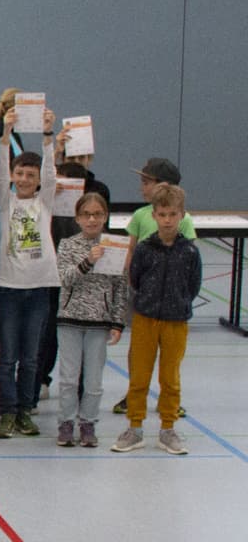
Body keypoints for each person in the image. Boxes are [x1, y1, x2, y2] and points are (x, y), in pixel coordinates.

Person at [111, 184, 200, 456]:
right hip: (145, 319)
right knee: (139, 375)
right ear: (154, 215)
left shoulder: (190, 252)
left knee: (170, 377)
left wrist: (180, 303)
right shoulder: (144, 250)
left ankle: (168, 428)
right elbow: (134, 278)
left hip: (176, 321)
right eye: (162, 214)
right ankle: (135, 428)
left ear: (182, 215)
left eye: (173, 214)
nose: (168, 220)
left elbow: (194, 285)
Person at [0, 104, 57, 438]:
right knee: (7, 357)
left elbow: (51, 175)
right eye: (21, 174)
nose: (25, 179)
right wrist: (5, 135)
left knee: (30, 359)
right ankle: (6, 413)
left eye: (31, 175)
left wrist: (48, 135)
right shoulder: (7, 202)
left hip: (40, 288)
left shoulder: (45, 202)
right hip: (8, 289)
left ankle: (25, 411)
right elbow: (0, 173)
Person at [54, 193, 129, 449]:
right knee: (68, 377)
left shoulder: (115, 245)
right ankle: (65, 423)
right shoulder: (66, 245)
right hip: (69, 319)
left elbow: (120, 287)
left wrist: (117, 322)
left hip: (99, 322)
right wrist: (88, 261)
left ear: (105, 216)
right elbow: (65, 278)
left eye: (97, 214)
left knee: (93, 380)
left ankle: (88, 423)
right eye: (86, 214)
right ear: (77, 218)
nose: (92, 219)